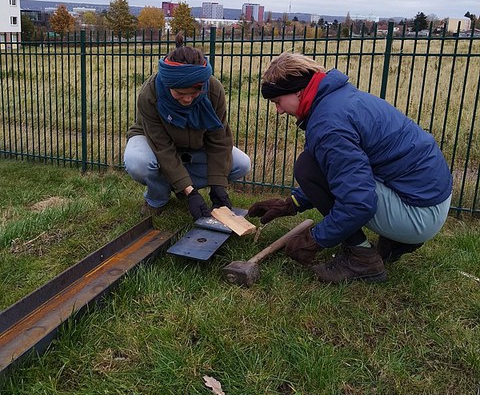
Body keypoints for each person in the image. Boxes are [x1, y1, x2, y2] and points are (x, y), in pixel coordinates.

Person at [248, 52, 453, 284]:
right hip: (429, 199)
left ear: (298, 90)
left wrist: (316, 238)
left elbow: (358, 201)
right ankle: (397, 241)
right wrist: (293, 204)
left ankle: (362, 259)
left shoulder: (328, 124)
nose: (279, 110)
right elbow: (346, 171)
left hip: (418, 213)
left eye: (277, 102)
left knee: (307, 167)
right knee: (320, 167)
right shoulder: (340, 99)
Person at [124, 32, 251, 220]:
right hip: (154, 143)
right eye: (180, 93)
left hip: (195, 147)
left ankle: (180, 185)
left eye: (194, 92)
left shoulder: (213, 90)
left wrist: (218, 185)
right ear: (168, 85)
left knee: (241, 164)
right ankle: (157, 199)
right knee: (139, 162)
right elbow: (162, 147)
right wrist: (190, 192)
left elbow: (219, 139)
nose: (188, 98)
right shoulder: (150, 94)